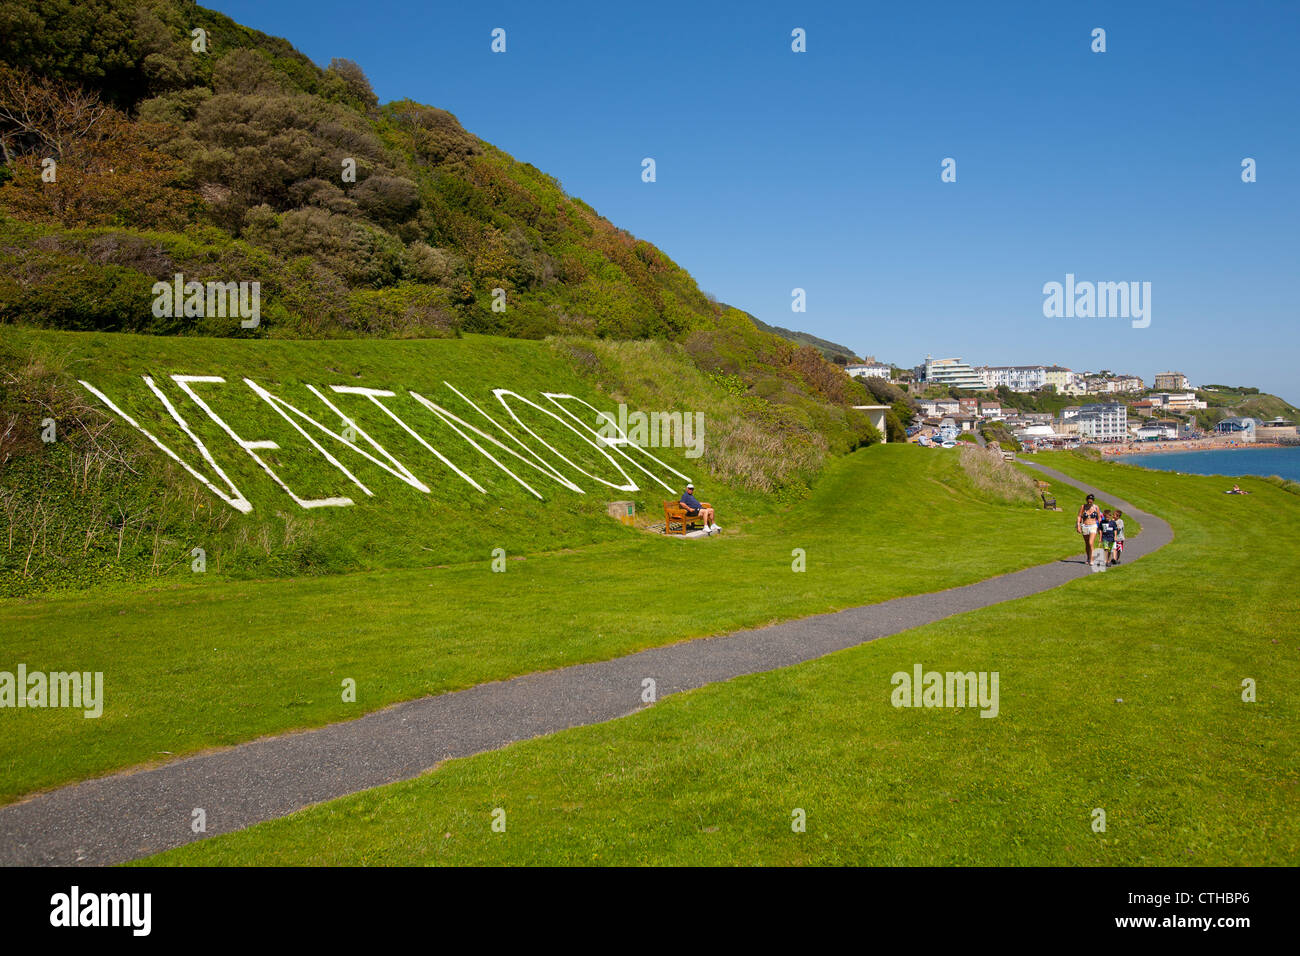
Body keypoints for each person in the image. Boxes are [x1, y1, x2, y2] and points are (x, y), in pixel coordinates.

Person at [1077, 493, 1100, 565]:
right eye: (1088, 501)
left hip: (1093, 525)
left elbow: (1099, 517)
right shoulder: (1083, 507)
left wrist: (1099, 527)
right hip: (1085, 526)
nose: (1089, 502)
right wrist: (1078, 525)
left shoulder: (1096, 507)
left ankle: (1092, 560)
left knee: (1091, 543)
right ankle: (1088, 558)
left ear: (1093, 501)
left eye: (1091, 501)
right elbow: (1079, 516)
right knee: (1087, 544)